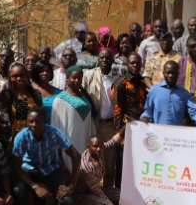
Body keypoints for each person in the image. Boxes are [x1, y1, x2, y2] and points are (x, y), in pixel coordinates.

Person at [12, 107, 81, 205]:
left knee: (66, 200)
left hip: (52, 169)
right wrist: (35, 186)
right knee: (18, 190)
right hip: (29, 170)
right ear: (26, 122)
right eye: (30, 121)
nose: (34, 125)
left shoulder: (54, 133)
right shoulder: (21, 137)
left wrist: (72, 185)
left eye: (38, 121)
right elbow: (16, 166)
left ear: (45, 121)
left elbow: (76, 156)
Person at [51, 65, 97, 174]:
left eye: (79, 78)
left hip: (84, 139)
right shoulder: (60, 99)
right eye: (74, 78)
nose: (77, 80)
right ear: (67, 79)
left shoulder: (85, 97)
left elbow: (89, 122)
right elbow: (54, 124)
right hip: (69, 141)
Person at [72, 134, 124, 205]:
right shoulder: (86, 167)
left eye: (101, 146)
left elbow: (113, 142)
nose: (99, 149)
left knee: (122, 194)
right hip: (81, 197)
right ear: (89, 147)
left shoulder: (98, 153)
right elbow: (97, 191)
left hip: (93, 193)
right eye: (95, 146)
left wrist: (126, 126)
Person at [82, 49, 117, 187]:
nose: (104, 60)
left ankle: (108, 192)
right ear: (98, 59)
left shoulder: (118, 78)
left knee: (109, 162)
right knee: (92, 160)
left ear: (112, 60)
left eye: (108, 58)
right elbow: (83, 96)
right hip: (93, 124)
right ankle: (91, 191)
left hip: (110, 125)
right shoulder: (89, 75)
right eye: (102, 57)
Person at [112, 53, 147, 187]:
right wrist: (120, 136)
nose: (135, 65)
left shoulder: (143, 83)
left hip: (140, 132)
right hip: (125, 132)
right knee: (122, 166)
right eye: (132, 63)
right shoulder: (120, 83)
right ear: (127, 64)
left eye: (137, 63)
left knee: (137, 166)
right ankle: (119, 197)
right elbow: (117, 110)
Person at [141, 61, 196, 128]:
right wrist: (144, 117)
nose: (171, 76)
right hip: (158, 133)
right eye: (168, 73)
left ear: (178, 74)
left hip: (175, 136)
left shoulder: (184, 93)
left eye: (173, 73)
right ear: (163, 73)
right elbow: (148, 110)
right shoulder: (154, 90)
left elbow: (194, 110)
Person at [7, 63, 42, 135]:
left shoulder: (35, 94)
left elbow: (40, 116)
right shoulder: (6, 95)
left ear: (26, 76)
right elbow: (4, 120)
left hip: (34, 135)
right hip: (14, 137)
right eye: (15, 76)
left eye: (22, 75)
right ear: (10, 78)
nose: (19, 78)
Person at [30, 60, 61, 124]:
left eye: (48, 71)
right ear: (36, 72)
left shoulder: (59, 93)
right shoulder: (29, 91)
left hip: (53, 130)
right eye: (42, 71)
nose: (45, 73)